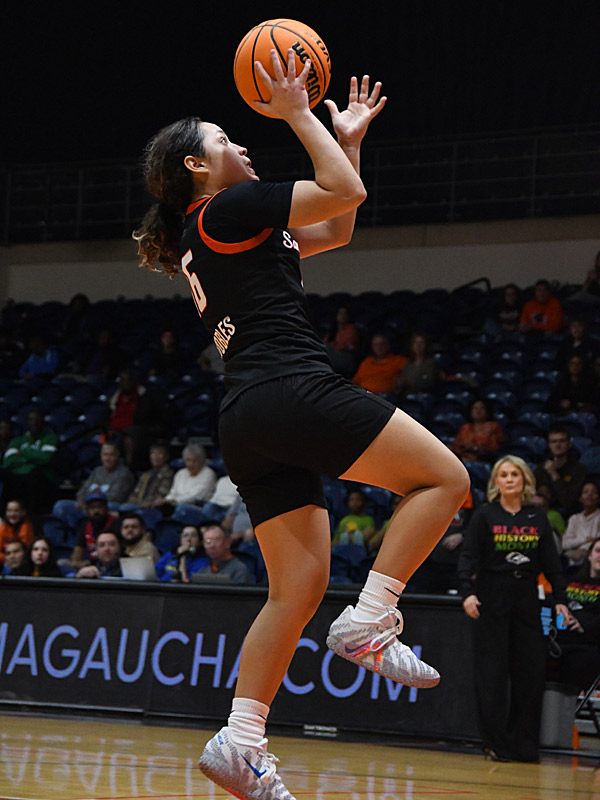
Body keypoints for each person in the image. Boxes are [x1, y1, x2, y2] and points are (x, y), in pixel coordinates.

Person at [134, 55, 469, 800]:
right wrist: (295, 111)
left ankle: (240, 742)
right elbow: (344, 195)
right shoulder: (226, 209)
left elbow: (338, 223)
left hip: (247, 417)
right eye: (228, 137)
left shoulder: (223, 226)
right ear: (198, 163)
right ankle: (373, 621)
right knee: (446, 478)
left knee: (297, 588)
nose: (243, 146)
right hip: (288, 388)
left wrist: (343, 136)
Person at [457, 455, 572, 762]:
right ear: (496, 482)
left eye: (514, 475)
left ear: (524, 481)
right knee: (492, 674)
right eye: (503, 475)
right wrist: (468, 593)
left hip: (526, 597)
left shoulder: (537, 517)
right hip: (491, 597)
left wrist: (560, 598)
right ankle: (495, 743)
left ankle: (524, 743)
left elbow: (551, 563)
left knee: (530, 674)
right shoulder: (484, 516)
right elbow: (468, 558)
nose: (509, 479)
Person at [547, 536, 600, 691]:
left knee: (578, 663)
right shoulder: (569, 582)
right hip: (557, 639)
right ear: (589, 555)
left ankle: (566, 712)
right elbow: (552, 602)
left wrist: (581, 623)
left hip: (587, 644)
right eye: (598, 551)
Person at [0, 407, 60, 515]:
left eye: (37, 419)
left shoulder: (50, 438)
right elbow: (8, 462)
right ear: (26, 422)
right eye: (31, 419)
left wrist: (24, 453)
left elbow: (46, 458)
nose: (34, 423)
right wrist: (33, 458)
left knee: (34, 474)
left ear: (42, 422)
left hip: (40, 479)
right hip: (17, 478)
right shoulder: (18, 440)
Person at [534, 424, 588, 516]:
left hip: (567, 515)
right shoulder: (541, 468)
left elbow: (569, 503)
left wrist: (554, 474)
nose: (558, 445)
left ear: (569, 444)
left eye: (562, 441)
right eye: (554, 441)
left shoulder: (579, 470)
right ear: (549, 445)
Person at [68, 490, 121, 568]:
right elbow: (77, 551)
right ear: (87, 510)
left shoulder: (116, 523)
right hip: (92, 566)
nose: (96, 511)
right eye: (92, 508)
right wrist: (77, 563)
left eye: (100, 507)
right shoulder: (85, 525)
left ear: (106, 508)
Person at [75, 442, 135, 506]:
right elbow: (82, 491)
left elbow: (116, 497)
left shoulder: (124, 474)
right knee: (64, 504)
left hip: (110, 507)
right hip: (88, 506)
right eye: (105, 455)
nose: (107, 458)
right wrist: (82, 502)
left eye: (111, 455)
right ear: (101, 456)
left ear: (117, 456)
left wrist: (91, 503)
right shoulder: (97, 471)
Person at [160, 441, 217, 508]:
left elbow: (197, 496)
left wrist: (174, 501)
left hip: (196, 507)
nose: (191, 464)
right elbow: (173, 493)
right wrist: (165, 500)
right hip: (175, 505)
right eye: (188, 460)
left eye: (195, 461)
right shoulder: (180, 473)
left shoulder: (209, 473)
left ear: (201, 461)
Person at [450, 398, 506, 463]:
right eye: (475, 408)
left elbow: (493, 450)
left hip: (482, 463)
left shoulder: (493, 427)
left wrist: (474, 448)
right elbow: (456, 446)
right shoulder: (465, 428)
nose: (478, 411)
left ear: (487, 411)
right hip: (462, 461)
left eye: (482, 408)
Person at [561, 481, 600, 571]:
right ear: (581, 498)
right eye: (586, 492)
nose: (589, 495)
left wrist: (581, 547)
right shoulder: (574, 518)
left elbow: (596, 542)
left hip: (591, 557)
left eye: (593, 492)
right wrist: (585, 540)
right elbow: (565, 544)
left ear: (598, 498)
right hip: (572, 557)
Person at [126, 442, 175, 508]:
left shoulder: (168, 474)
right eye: (153, 453)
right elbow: (135, 493)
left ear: (166, 457)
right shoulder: (146, 475)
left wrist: (146, 503)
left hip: (152, 507)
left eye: (159, 453)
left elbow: (162, 493)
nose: (155, 456)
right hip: (137, 505)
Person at [397, 331, 444, 395]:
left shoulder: (431, 363)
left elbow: (428, 382)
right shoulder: (408, 364)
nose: (418, 345)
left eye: (421, 343)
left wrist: (408, 383)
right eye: (415, 343)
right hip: (408, 395)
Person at [323, 306, 359, 378]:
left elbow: (344, 345)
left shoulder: (351, 328)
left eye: (345, 314)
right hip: (332, 357)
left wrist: (332, 345)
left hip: (346, 358)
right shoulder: (333, 329)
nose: (343, 316)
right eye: (340, 313)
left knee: (325, 347)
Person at [0, 499, 36, 565]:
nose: (12, 514)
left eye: (16, 511)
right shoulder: (3, 527)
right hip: (6, 561)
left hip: (23, 562)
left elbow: (27, 551)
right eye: (9, 511)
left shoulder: (26, 527)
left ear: (23, 512)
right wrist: (7, 558)